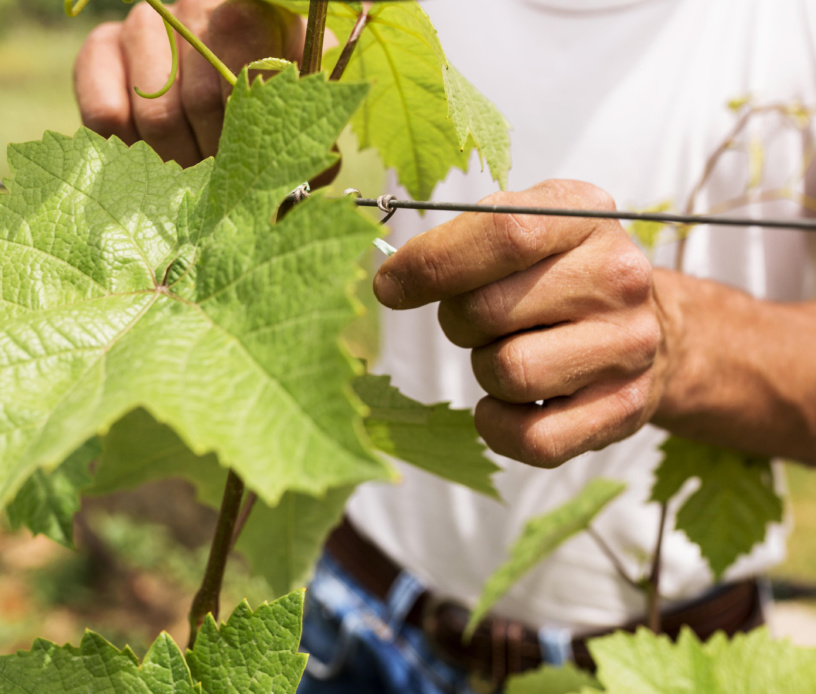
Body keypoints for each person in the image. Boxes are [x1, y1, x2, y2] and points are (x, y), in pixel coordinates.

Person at [74, 0, 816, 691]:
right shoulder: (371, 12)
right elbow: (248, 48)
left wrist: (681, 340)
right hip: (358, 618)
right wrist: (208, 43)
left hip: (669, 660)